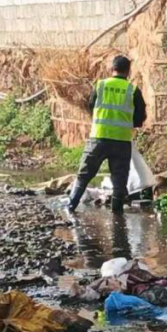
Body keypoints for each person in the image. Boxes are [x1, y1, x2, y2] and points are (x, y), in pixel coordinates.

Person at [67, 55, 147, 215]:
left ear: (112, 69)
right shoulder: (133, 90)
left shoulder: (100, 86)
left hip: (99, 138)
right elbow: (139, 118)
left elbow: (91, 107)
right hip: (122, 141)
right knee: (119, 182)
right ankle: (117, 217)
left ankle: (70, 208)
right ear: (128, 71)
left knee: (84, 175)